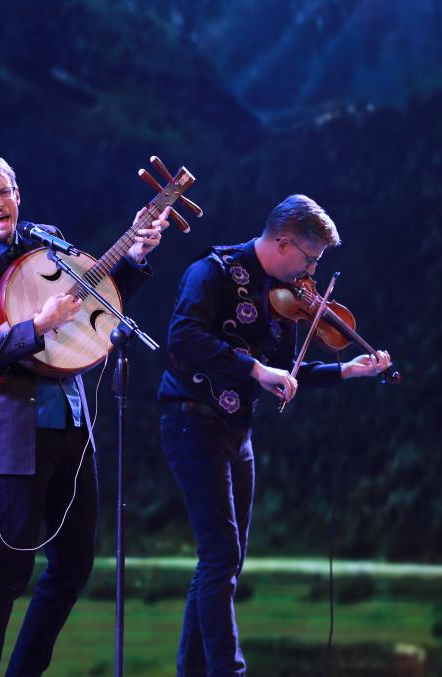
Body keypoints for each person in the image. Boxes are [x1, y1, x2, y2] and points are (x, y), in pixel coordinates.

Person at [0, 154, 169, 676]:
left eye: (5, 191)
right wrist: (36, 327)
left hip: (71, 421)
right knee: (9, 568)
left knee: (73, 567)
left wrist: (133, 253)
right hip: (16, 430)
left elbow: (96, 303)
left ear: (18, 194)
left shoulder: (47, 242)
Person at [157, 194, 392, 676]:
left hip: (236, 430)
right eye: (309, 260)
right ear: (284, 242)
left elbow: (286, 371)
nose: (311, 276)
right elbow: (183, 337)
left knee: (223, 561)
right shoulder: (214, 272)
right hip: (192, 419)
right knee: (220, 555)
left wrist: (345, 371)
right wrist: (254, 368)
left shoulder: (283, 296)